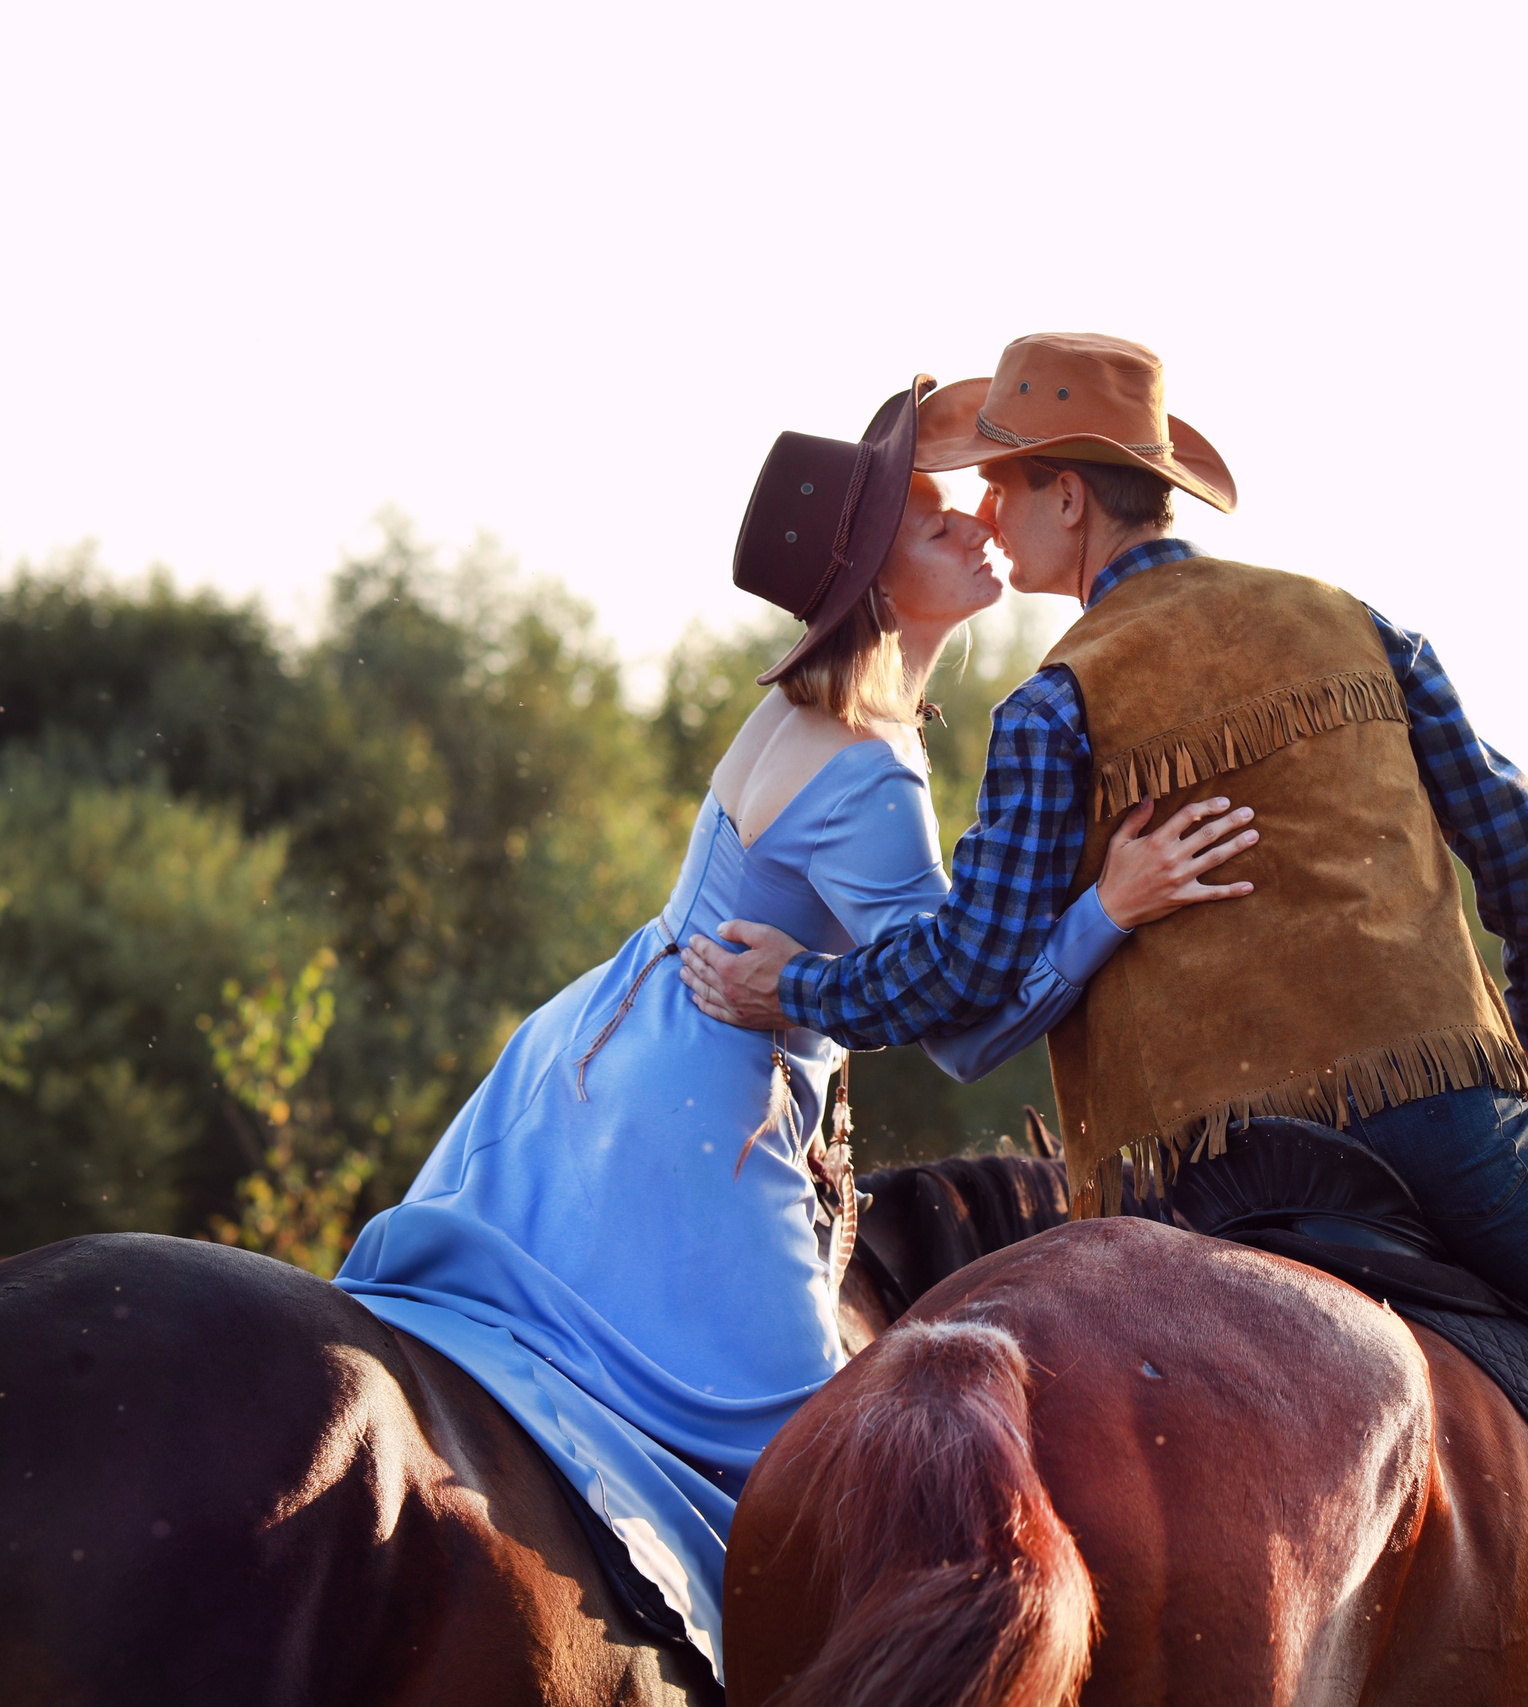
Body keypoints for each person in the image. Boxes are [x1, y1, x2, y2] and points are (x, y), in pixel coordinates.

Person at [677, 334, 1528, 1706]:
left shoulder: (1054, 704)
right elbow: (1527, 862)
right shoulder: (1360, 627)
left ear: (1070, 500)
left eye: (1009, 488)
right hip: (1442, 1139)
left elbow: (962, 973)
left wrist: (802, 989)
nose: (991, 516)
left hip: (1203, 1186)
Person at [333, 378, 1257, 1679]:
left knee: (552, 1371)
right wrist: (1111, 907)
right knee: (797, 1479)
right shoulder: (870, 767)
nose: (977, 529)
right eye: (936, 526)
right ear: (879, 583)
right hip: (712, 1102)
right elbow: (962, 1030)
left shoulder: (809, 708)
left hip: (598, 1050)